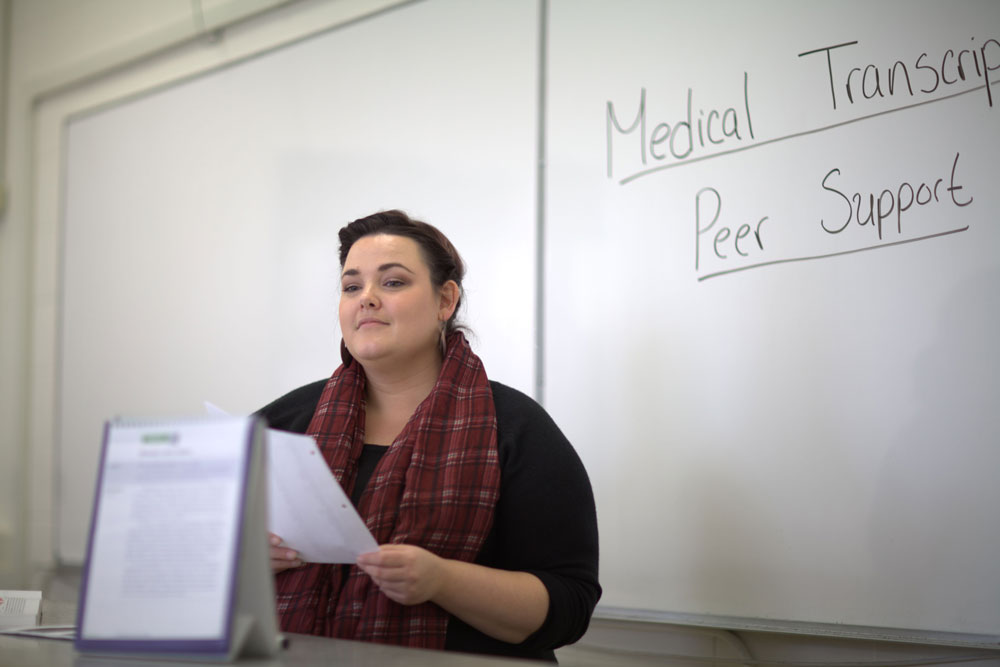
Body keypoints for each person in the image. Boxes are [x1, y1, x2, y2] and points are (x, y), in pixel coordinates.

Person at [255, 209, 600, 661]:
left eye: (393, 282)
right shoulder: (283, 422)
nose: (367, 299)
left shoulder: (516, 428)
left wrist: (442, 581)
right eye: (351, 287)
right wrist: (243, 560)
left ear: (445, 300)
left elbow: (570, 604)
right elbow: (197, 552)